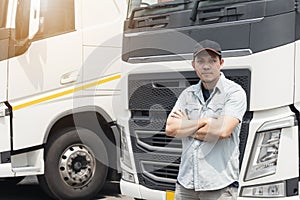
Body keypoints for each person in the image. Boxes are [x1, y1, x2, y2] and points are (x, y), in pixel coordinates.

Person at [166, 39, 247, 200]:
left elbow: (222, 131)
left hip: (219, 186)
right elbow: (170, 129)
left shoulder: (234, 93)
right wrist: (205, 122)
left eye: (212, 60)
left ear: (221, 63)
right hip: (185, 185)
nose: (206, 66)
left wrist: (186, 127)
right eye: (201, 61)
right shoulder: (187, 94)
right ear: (193, 65)